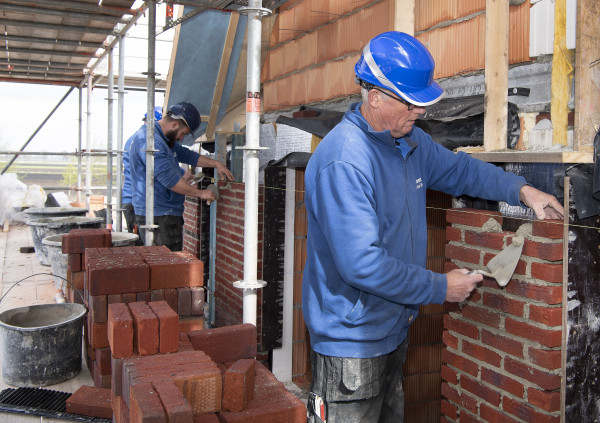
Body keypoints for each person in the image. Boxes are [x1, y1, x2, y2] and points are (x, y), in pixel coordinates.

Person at [302, 31, 564, 423]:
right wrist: (441, 287)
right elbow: (362, 264)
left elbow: (459, 170)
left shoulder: (409, 141)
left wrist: (521, 189)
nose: (419, 112)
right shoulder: (345, 162)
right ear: (374, 96)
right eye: (410, 102)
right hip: (350, 346)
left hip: (391, 330)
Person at [129, 102, 234, 251]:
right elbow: (171, 181)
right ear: (175, 124)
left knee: (163, 266)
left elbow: (186, 155)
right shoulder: (151, 142)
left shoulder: (160, 137)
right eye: (183, 133)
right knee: (168, 267)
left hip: (160, 214)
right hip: (159, 217)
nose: (181, 138)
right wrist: (201, 193)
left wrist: (216, 163)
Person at [121, 106, 163, 236]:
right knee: (142, 245)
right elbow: (158, 167)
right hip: (136, 200)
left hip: (130, 198)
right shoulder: (145, 141)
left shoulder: (134, 138)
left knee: (137, 242)